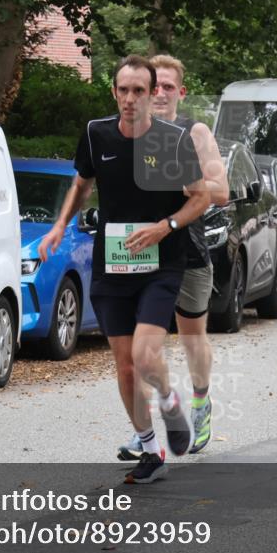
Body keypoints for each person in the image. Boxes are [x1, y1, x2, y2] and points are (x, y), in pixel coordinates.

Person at [39, 55, 209, 484]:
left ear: (154, 94)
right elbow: (82, 182)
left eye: (139, 91)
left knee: (145, 355)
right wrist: (59, 225)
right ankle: (150, 449)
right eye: (123, 91)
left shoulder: (172, 140)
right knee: (127, 367)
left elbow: (200, 198)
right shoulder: (97, 134)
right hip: (112, 265)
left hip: (161, 263)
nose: (130, 99)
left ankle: (170, 401)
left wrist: (164, 227)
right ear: (114, 92)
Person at [116, 54, 229, 461]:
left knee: (191, 336)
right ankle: (144, 428)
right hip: (142, 253)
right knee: (143, 348)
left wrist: (182, 181)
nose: (160, 93)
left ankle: (200, 401)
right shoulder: (130, 131)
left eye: (168, 87)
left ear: (180, 93)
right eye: (154, 86)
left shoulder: (193, 132)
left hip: (188, 250)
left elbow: (221, 189)